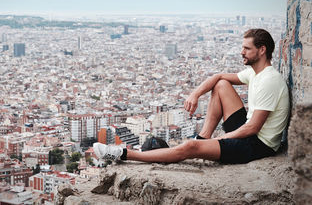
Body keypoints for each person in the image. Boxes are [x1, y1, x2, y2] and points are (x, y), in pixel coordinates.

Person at [93, 29, 289, 164]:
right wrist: (194, 95)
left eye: (247, 48)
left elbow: (253, 128)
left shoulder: (269, 80)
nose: (241, 52)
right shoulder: (256, 73)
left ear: (262, 50)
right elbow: (218, 77)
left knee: (190, 147)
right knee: (221, 85)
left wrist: (222, 140)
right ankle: (202, 136)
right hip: (249, 132)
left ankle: (123, 154)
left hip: (257, 145)